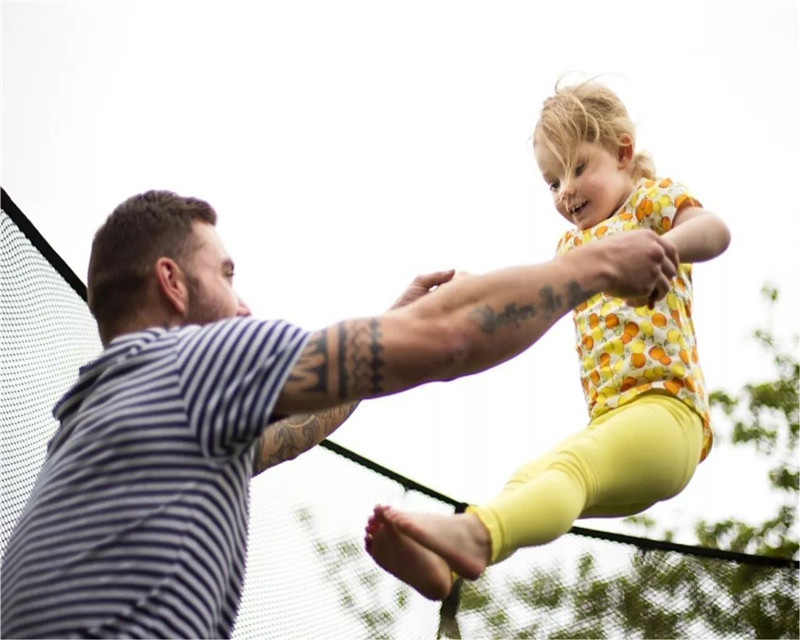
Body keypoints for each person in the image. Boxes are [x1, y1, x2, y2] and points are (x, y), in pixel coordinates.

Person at [1, 189, 678, 639]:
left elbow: (292, 432)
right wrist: (595, 266)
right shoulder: (191, 361)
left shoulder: (92, 423)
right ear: (173, 283)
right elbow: (454, 337)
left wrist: (388, 326)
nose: (243, 306)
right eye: (227, 274)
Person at [364, 80, 731, 601]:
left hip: (669, 417)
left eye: (578, 168)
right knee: (531, 477)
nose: (565, 191)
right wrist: (464, 295)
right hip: (615, 424)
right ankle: (449, 568)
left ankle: (476, 534)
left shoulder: (649, 203)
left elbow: (715, 230)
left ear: (623, 152)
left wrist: (664, 248)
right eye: (552, 181)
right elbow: (524, 297)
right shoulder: (572, 249)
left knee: (568, 468)